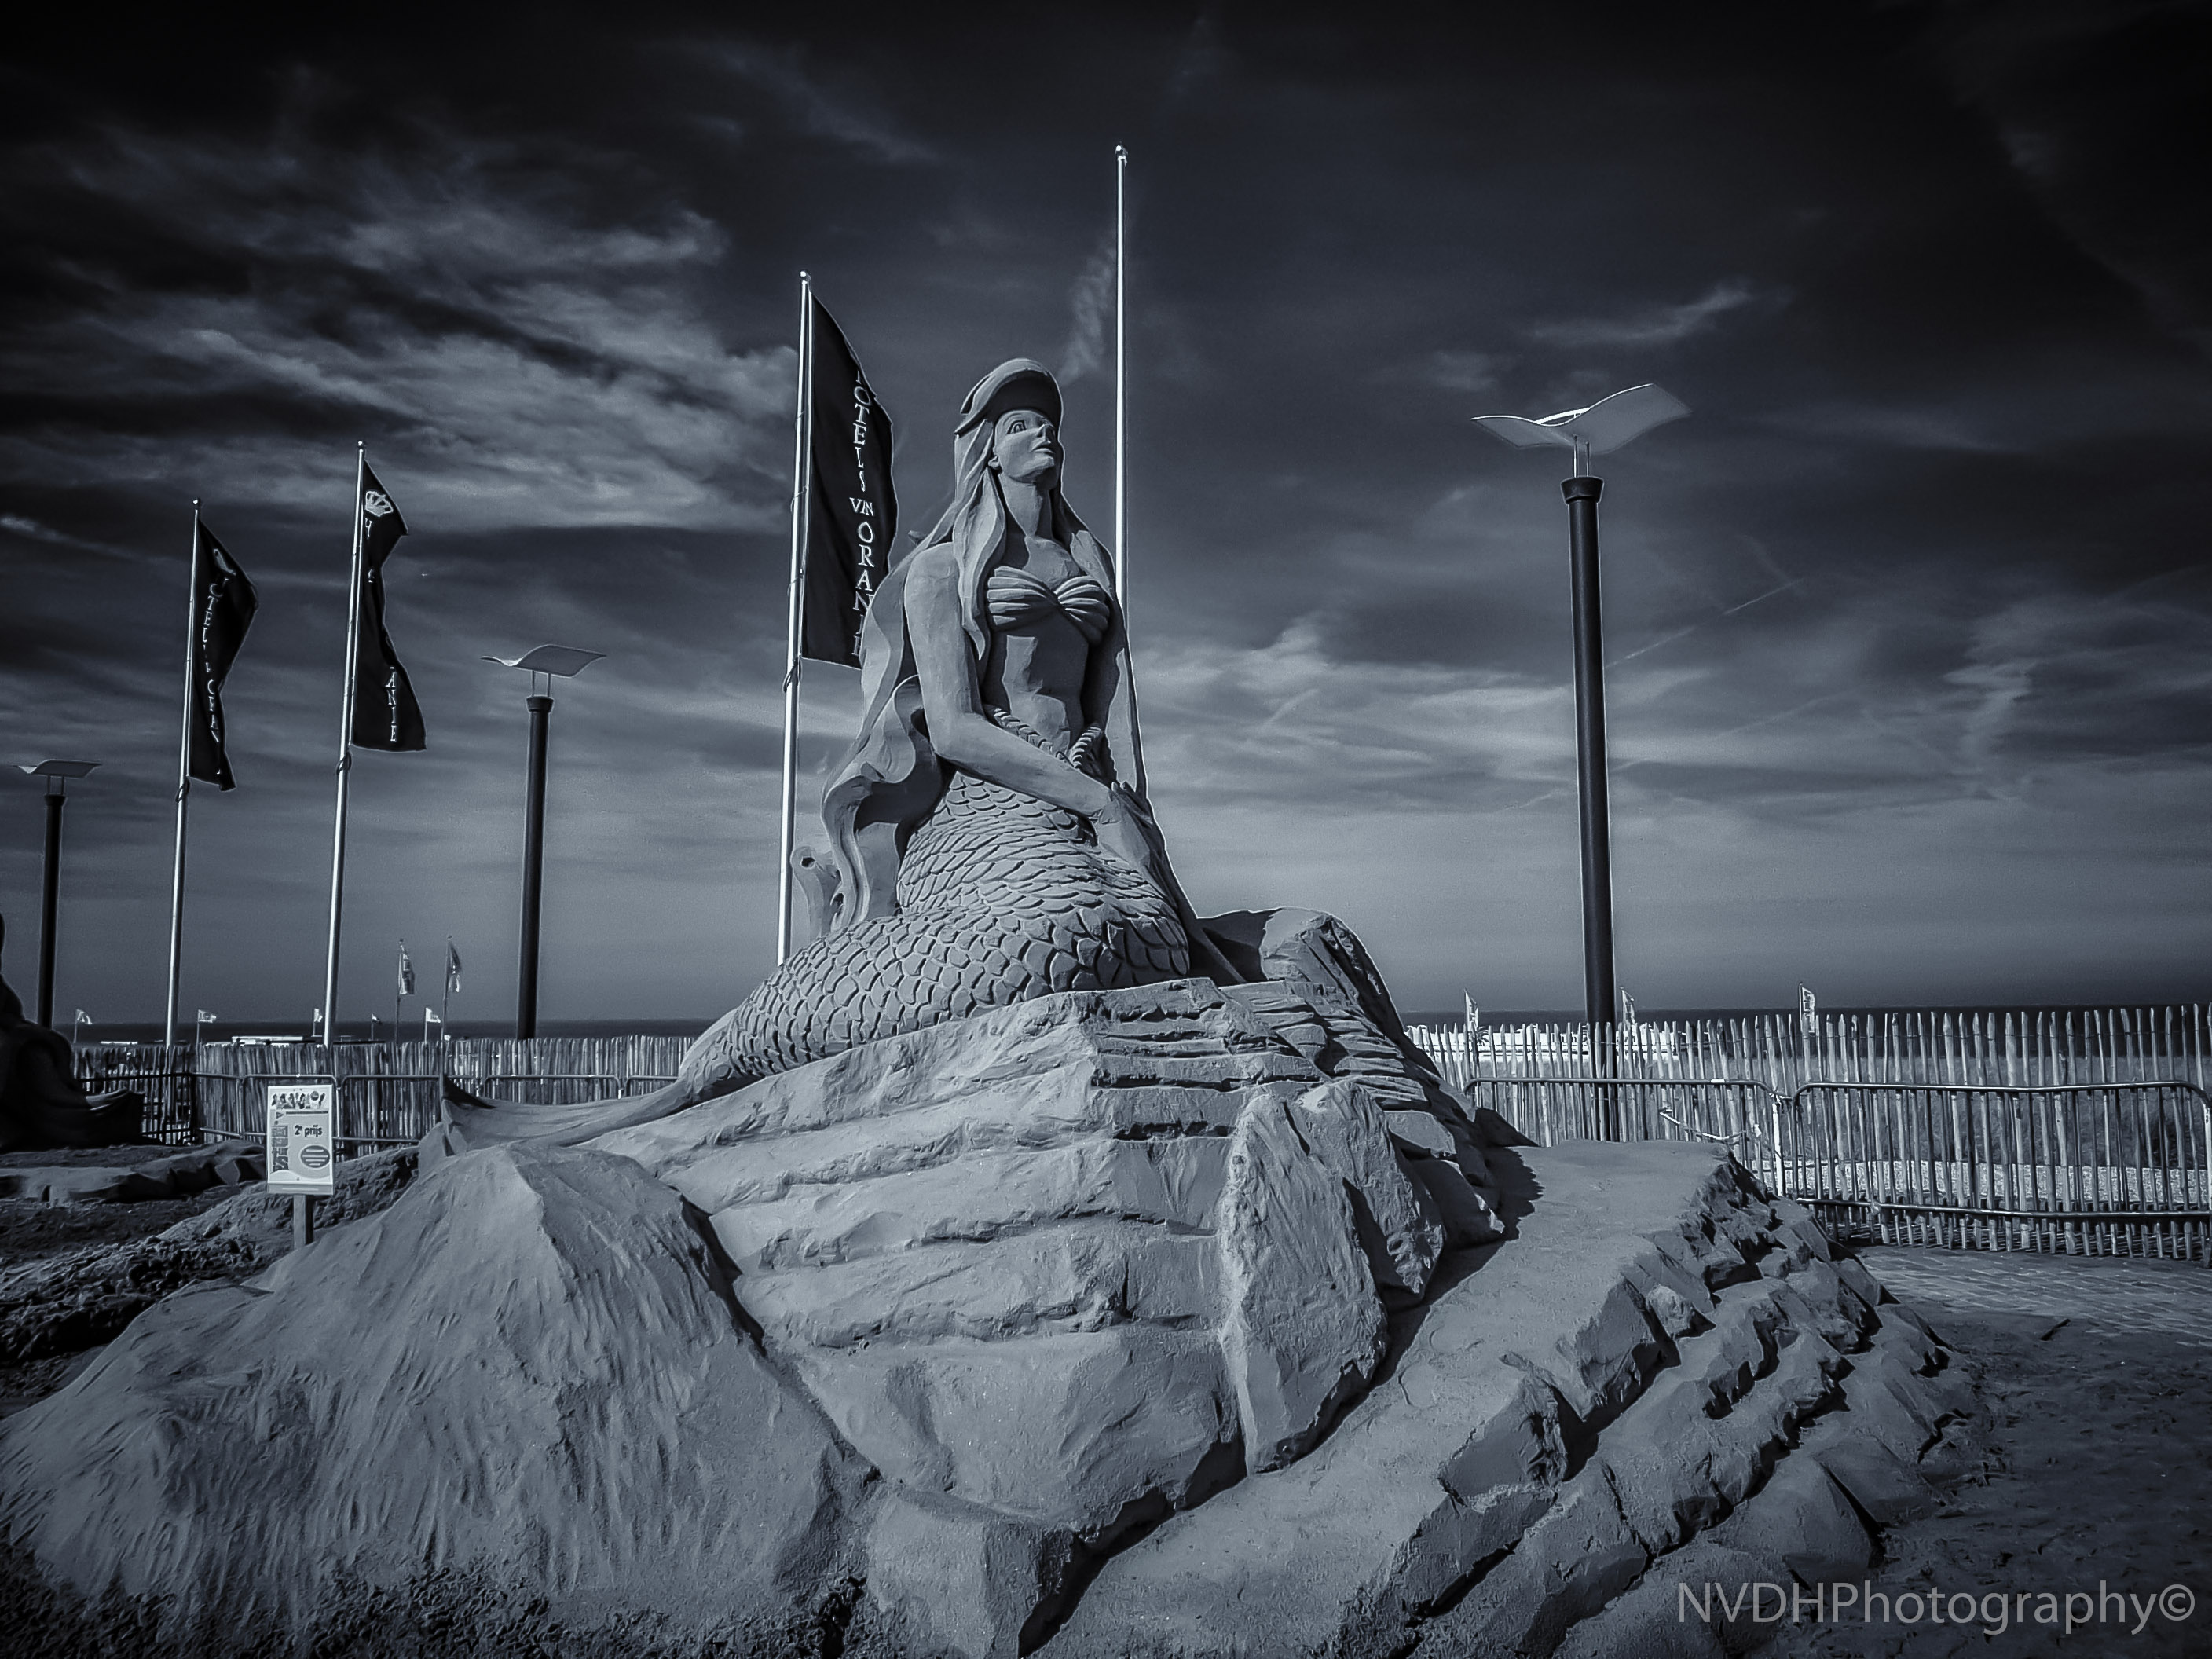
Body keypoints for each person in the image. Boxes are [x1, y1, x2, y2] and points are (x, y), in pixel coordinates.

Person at [724, 357, 1238, 1076]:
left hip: (1087, 785)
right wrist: (1086, 797)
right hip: (991, 797)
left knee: (1149, 932)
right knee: (1067, 934)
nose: (1043, 433)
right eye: (1020, 424)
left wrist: (1121, 806)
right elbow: (958, 726)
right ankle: (783, 1022)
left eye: (1048, 423)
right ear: (988, 450)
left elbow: (1115, 707)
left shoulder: (1091, 562)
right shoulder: (943, 569)